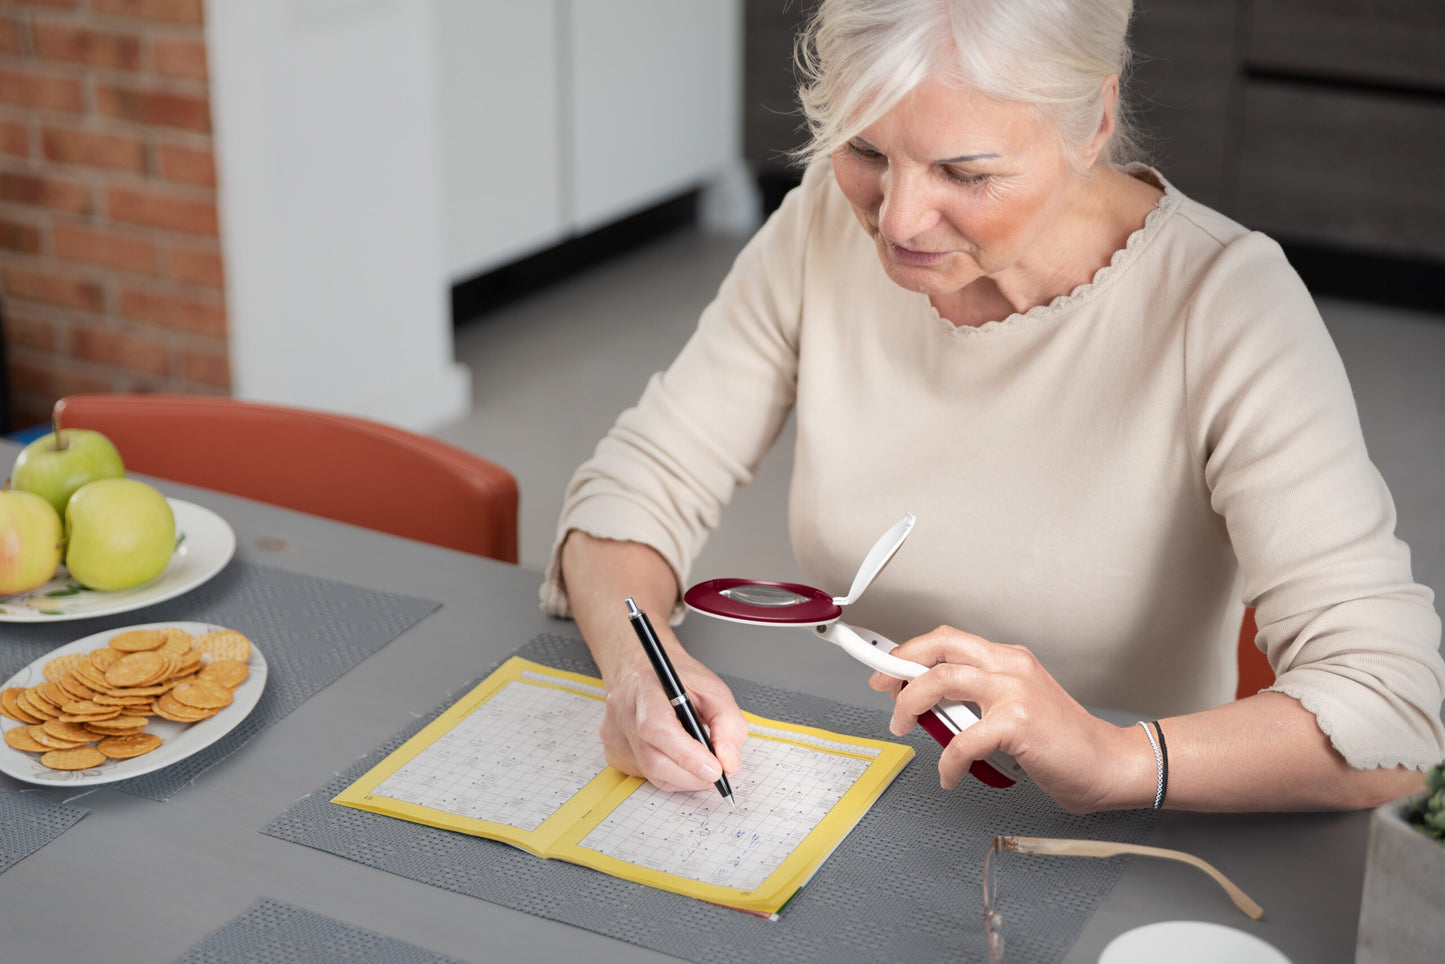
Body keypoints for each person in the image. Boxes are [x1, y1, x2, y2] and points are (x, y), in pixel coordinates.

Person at [541, 0, 1445, 814]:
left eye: (964, 174)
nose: (897, 221)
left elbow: (1392, 711)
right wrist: (638, 672)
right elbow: (636, 485)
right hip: (862, 789)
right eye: (864, 149)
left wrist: (1116, 759)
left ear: (1092, 119)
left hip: (1123, 839)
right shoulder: (823, 220)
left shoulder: (1223, 304)